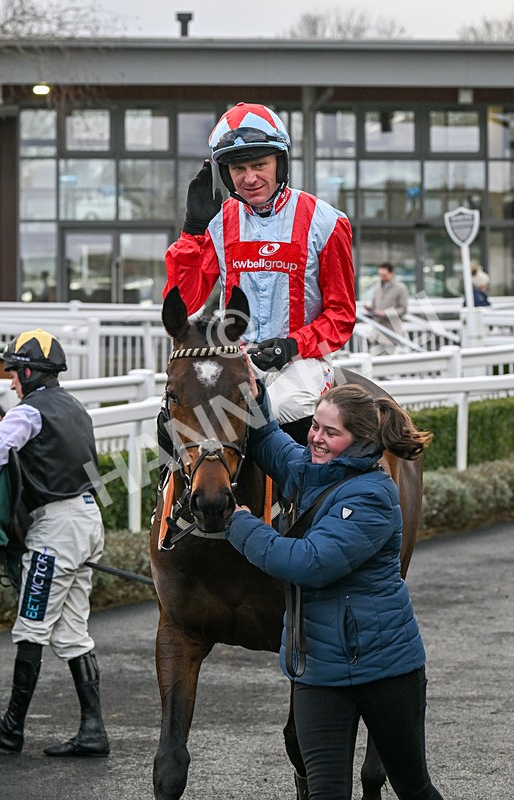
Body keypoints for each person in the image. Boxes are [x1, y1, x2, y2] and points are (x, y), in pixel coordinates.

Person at [226, 374, 445, 800]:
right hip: (319, 672)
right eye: (314, 426)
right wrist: (256, 399)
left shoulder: (374, 496)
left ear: (360, 440)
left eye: (330, 432)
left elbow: (309, 563)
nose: (316, 439)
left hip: (387, 672)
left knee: (413, 788)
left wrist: (238, 523)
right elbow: (273, 443)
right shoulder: (314, 470)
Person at [163, 101, 355, 445]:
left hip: (301, 360)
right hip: (234, 357)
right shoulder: (217, 225)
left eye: (259, 164)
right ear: (226, 174)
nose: (250, 178)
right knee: (174, 415)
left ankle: (302, 496)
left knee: (282, 408)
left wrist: (292, 345)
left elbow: (341, 317)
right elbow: (185, 301)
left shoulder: (327, 222)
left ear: (280, 163)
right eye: (238, 168)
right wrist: (192, 232)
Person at [0, 329, 109, 757]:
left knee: (30, 627)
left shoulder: (26, 414)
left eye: (14, 371)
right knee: (73, 632)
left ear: (31, 371)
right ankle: (93, 731)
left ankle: (12, 727)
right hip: (88, 519)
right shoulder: (76, 407)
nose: (11, 381)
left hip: (56, 529)